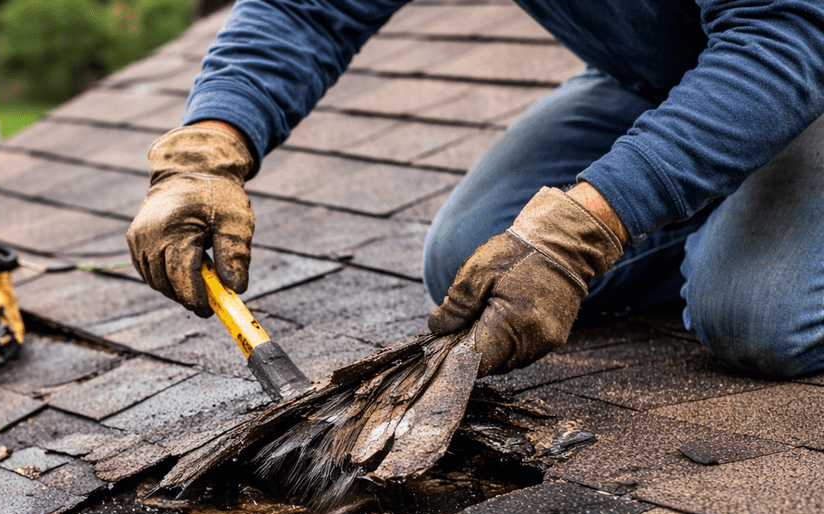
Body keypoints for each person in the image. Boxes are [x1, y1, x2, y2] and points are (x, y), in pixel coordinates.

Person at [126, 0, 824, 379]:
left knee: (753, 314)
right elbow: (306, 8)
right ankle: (718, 176)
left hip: (792, 50)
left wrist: (586, 227)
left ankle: (730, 208)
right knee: (469, 255)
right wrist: (205, 150)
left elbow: (784, 36)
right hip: (677, 69)